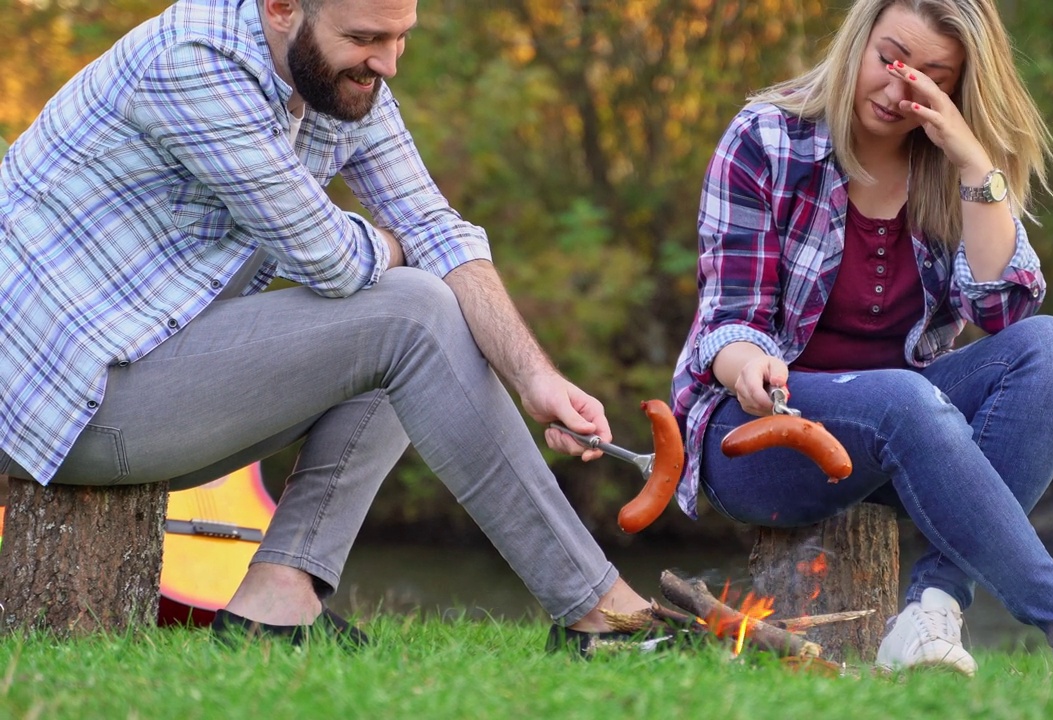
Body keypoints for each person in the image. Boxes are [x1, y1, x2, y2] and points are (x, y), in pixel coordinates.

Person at [0, 0, 660, 654]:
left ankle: (278, 599)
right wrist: (397, 246)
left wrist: (534, 376)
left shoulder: (334, 76)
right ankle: (599, 611)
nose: (389, 62)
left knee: (418, 317)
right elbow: (332, 261)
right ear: (283, 8)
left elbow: (437, 227)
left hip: (142, 363)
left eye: (402, 37)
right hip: (60, 407)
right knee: (410, 310)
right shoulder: (194, 63)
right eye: (367, 37)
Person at [670, 0, 1053, 693]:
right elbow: (727, 319)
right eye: (891, 59)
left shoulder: (947, 168)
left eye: (932, 76)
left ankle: (932, 607)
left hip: (907, 430)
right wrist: (747, 363)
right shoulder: (768, 138)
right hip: (761, 433)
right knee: (902, 395)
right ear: (859, 40)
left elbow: (1003, 312)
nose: (900, 89)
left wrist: (973, 163)